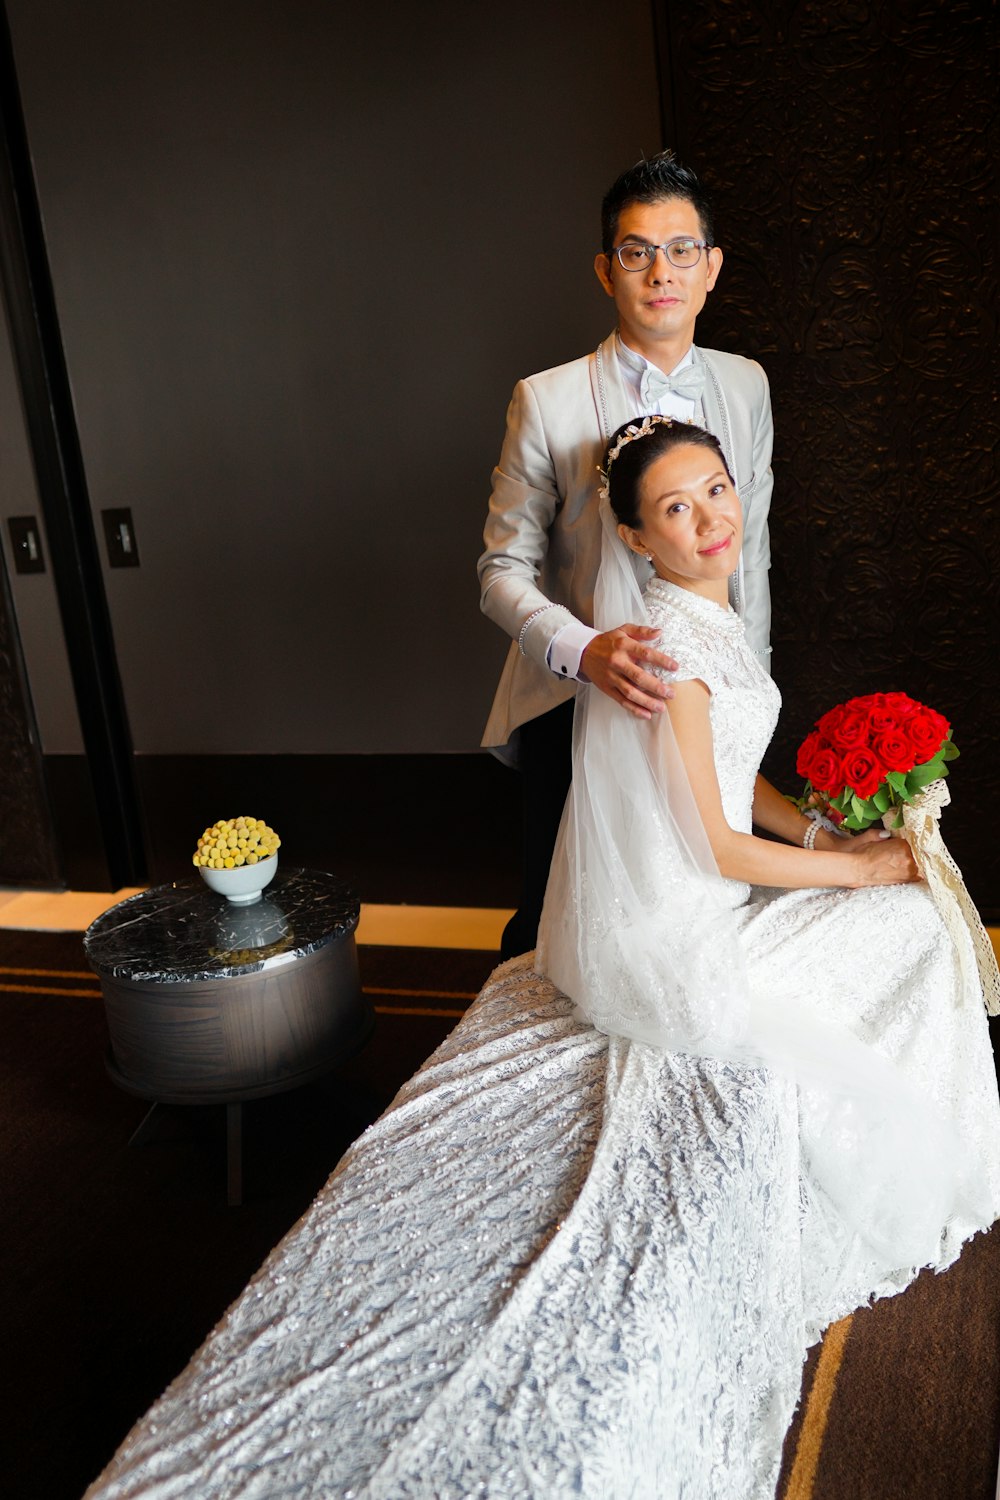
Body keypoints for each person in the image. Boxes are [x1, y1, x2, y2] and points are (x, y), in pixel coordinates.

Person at [85, 421, 1000, 1500]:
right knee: (895, 919)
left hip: (702, 893)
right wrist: (858, 874)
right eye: (675, 508)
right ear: (631, 533)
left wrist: (820, 837)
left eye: (716, 491)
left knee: (896, 907)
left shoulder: (706, 616)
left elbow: (736, 775)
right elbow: (707, 841)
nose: (708, 521)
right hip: (677, 936)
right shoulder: (663, 647)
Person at [479, 150, 774, 959]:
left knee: (691, 907)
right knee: (554, 923)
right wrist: (586, 651)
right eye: (638, 252)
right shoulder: (547, 398)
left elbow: (754, 553)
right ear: (607, 271)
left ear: (711, 268)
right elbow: (499, 570)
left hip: (701, 693)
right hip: (576, 697)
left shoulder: (746, 385)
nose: (661, 271)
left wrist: (746, 684)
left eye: (683, 250)